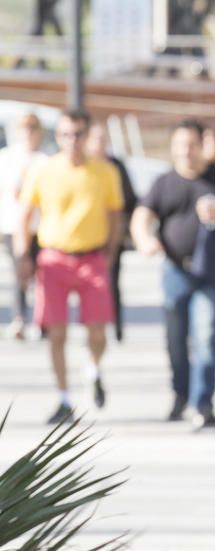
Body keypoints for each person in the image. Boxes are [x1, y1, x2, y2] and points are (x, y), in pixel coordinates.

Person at [131, 119, 215, 429]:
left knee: (206, 337)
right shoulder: (164, 182)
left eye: (191, 145)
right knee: (176, 340)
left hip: (211, 271)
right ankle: (181, 395)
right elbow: (142, 215)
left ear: (202, 146)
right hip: (174, 270)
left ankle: (203, 402)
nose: (185, 151)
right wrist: (145, 239)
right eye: (179, 145)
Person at [17, 109, 123, 423]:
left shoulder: (105, 171)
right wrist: (23, 256)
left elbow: (115, 215)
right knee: (57, 333)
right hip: (53, 258)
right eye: (65, 134)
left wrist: (111, 252)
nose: (71, 141)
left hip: (92, 258)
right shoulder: (43, 170)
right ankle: (64, 398)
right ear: (57, 136)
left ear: (87, 136)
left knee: (98, 332)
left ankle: (93, 367)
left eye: (77, 134)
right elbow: (25, 214)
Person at [86, 123, 137, 343]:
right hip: (87, 237)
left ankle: (116, 326)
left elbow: (129, 198)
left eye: (102, 139)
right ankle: (92, 331)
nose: (99, 144)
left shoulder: (116, 166)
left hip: (112, 235)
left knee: (112, 282)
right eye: (95, 139)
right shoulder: (84, 166)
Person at [0, 112, 47, 339]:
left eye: (32, 127)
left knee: (42, 274)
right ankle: (19, 318)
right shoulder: (6, 158)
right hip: (13, 224)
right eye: (24, 128)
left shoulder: (45, 160)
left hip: (40, 226)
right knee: (19, 270)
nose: (28, 132)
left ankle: (43, 319)